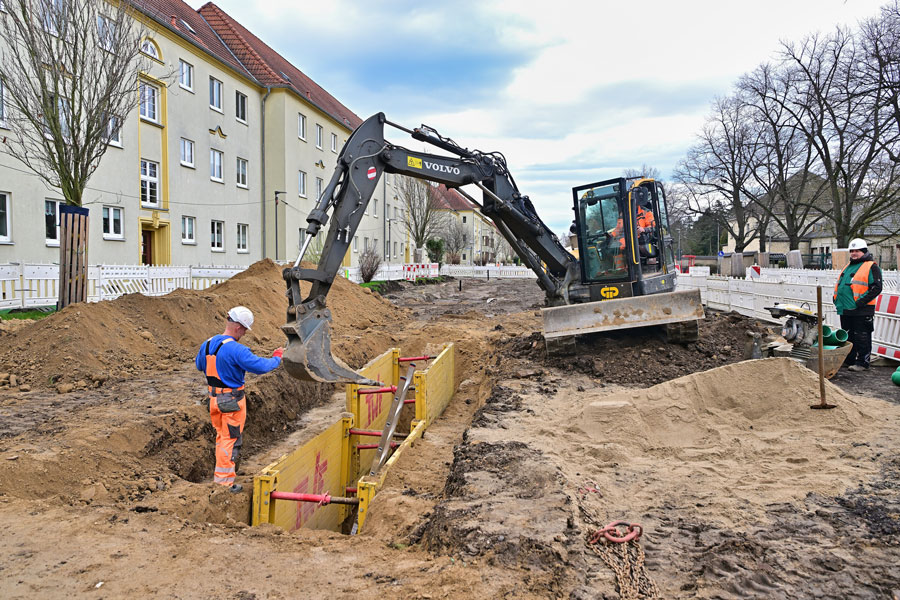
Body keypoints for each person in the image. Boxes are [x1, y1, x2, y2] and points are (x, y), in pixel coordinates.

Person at [195, 306, 283, 492]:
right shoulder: (237, 350)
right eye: (244, 330)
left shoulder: (208, 344)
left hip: (213, 399)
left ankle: (221, 477)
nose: (243, 334)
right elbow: (260, 366)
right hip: (232, 401)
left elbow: (199, 365)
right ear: (238, 327)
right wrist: (277, 358)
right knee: (230, 440)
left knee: (221, 437)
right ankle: (224, 483)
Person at [833, 239, 883, 372]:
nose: (854, 253)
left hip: (862, 310)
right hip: (846, 309)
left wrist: (860, 302)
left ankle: (862, 362)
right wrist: (836, 299)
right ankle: (849, 360)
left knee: (862, 336)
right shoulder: (848, 266)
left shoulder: (871, 266)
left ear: (864, 251)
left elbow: (877, 288)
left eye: (857, 251)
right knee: (848, 336)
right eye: (852, 251)